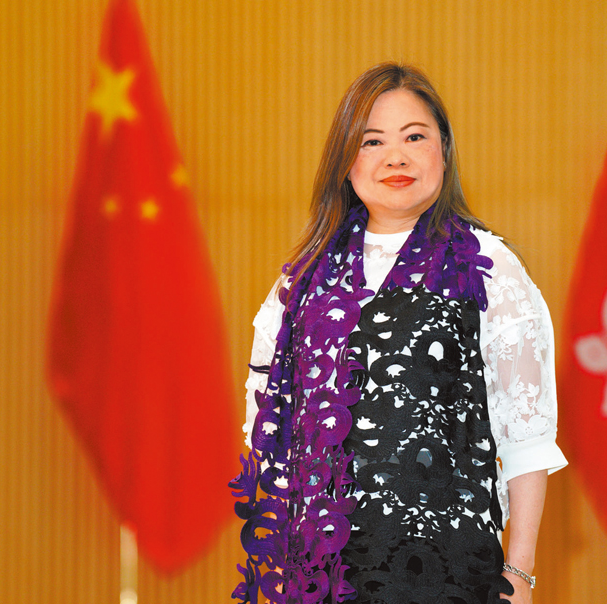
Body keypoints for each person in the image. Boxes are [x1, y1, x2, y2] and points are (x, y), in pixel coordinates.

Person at [231, 62, 567, 604]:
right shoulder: (302, 283)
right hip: (321, 579)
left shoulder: (486, 267)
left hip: (449, 577)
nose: (396, 157)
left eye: (415, 137)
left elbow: (525, 437)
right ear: (346, 162)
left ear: (444, 152)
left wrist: (520, 573)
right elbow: (270, 436)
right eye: (372, 141)